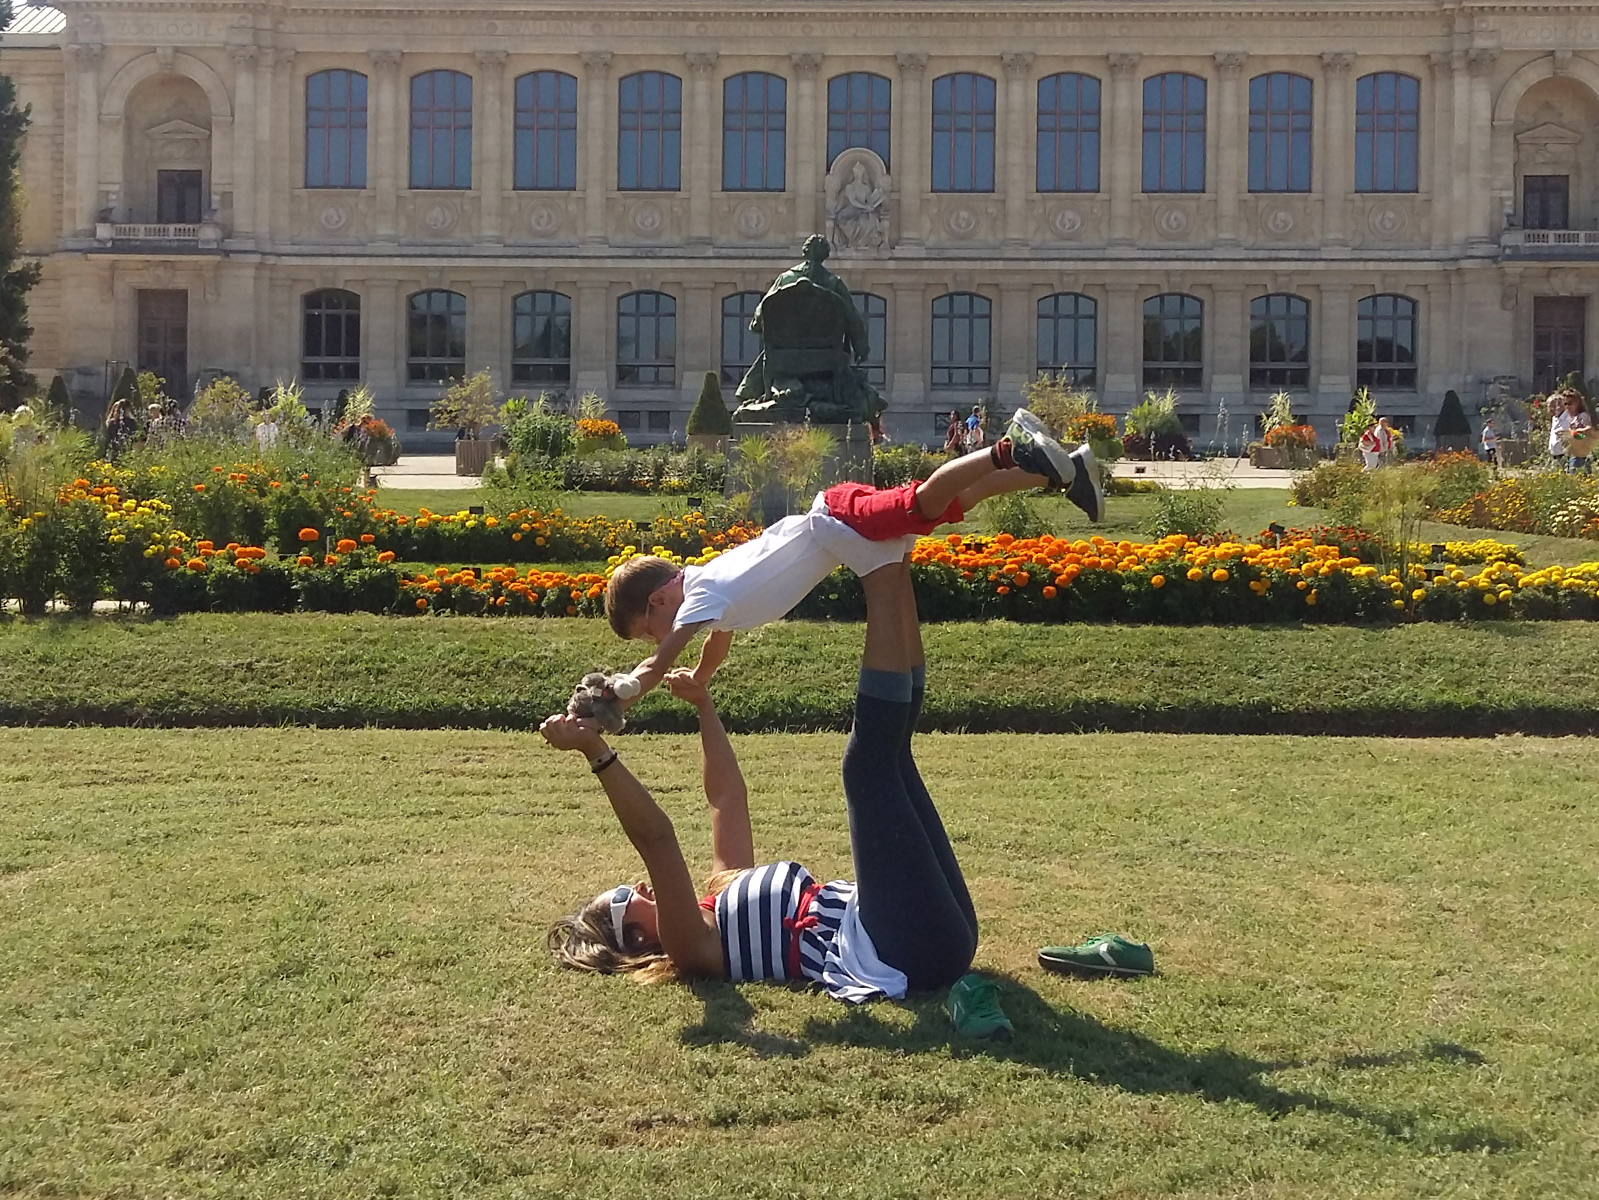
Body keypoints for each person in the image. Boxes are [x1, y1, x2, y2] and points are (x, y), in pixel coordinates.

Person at [543, 558, 981, 1004]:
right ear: (634, 939)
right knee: (867, 766)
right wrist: (596, 753)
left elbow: (726, 799)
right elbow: (656, 839)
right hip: (899, 950)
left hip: (936, 935)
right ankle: (880, 571)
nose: (635, 886)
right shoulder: (692, 946)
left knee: (894, 756)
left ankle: (895, 562)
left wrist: (703, 705)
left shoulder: (720, 895)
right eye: (622, 898)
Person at [602, 409, 1103, 706]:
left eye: (650, 626)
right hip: (841, 518)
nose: (658, 636)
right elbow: (716, 644)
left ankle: (1008, 450)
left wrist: (626, 688)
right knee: (950, 504)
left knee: (921, 503)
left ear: (660, 597)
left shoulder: (699, 596)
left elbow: (660, 660)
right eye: (650, 636)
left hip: (840, 519)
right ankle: (1064, 471)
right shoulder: (710, 593)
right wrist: (703, 679)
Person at [1548, 388, 1592, 472]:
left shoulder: (1582, 416)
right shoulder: (1573, 418)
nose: (1568, 406)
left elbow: (1587, 432)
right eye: (1565, 404)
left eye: (1570, 403)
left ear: (1578, 403)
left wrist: (1572, 433)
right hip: (1571, 455)